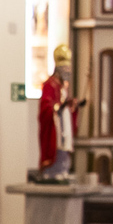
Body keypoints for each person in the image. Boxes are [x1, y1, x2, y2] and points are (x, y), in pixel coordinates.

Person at [38, 43, 81, 180]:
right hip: (55, 125)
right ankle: (52, 171)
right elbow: (46, 107)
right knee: (56, 145)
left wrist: (72, 105)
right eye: (65, 68)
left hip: (63, 123)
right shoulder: (49, 85)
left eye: (68, 68)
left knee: (64, 145)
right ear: (58, 68)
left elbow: (64, 103)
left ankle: (62, 170)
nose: (67, 71)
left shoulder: (62, 86)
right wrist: (58, 107)